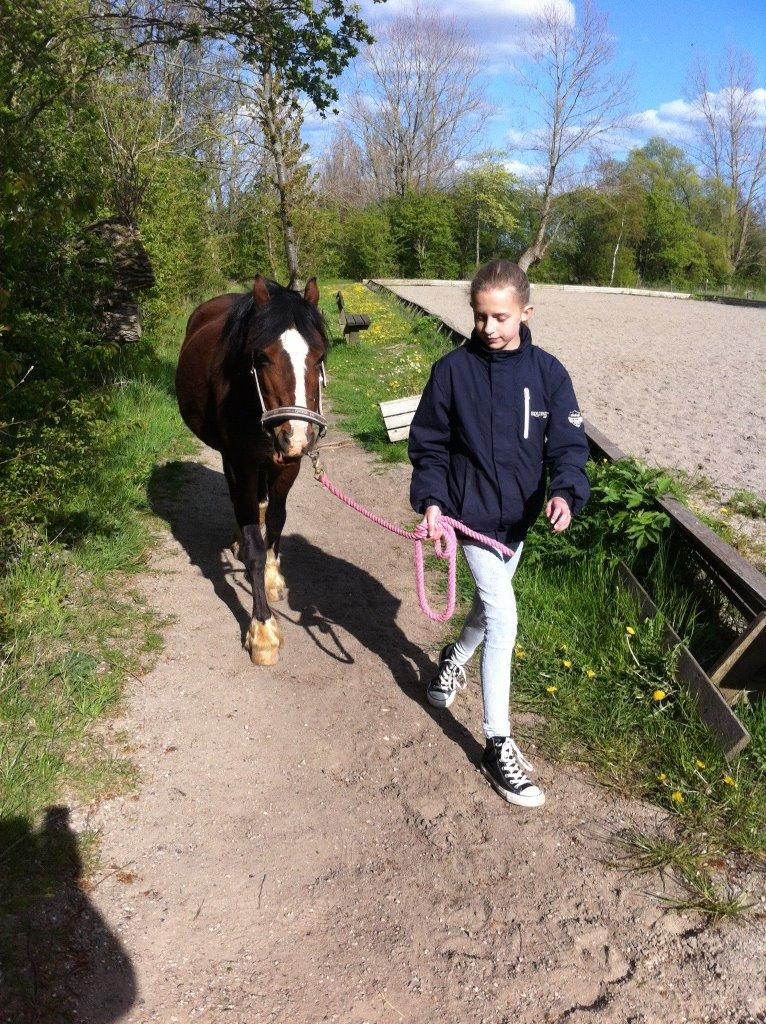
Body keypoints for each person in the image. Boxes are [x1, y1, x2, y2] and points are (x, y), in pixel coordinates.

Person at [408, 260, 590, 808]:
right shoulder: (452, 372)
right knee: (505, 616)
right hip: (470, 518)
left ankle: (453, 658)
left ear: (526, 313)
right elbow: (430, 445)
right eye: (480, 316)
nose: (488, 328)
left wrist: (564, 492)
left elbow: (568, 447)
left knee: (487, 615)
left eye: (500, 317)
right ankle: (497, 742)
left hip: (519, 520)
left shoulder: (550, 374)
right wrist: (434, 503)